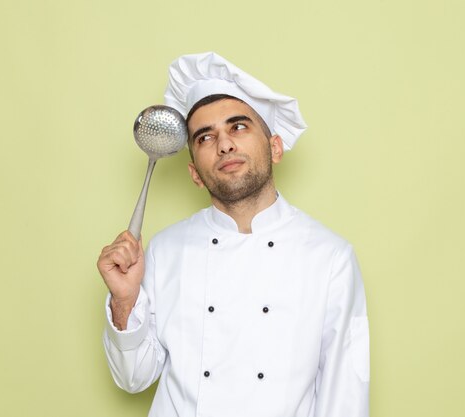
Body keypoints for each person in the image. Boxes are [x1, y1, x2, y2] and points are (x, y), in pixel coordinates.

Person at [97, 52, 370, 417]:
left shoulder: (329, 257)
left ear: (275, 147)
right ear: (195, 173)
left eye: (238, 127)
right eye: (206, 137)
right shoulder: (164, 250)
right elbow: (133, 379)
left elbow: (344, 398)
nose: (224, 144)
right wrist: (124, 301)